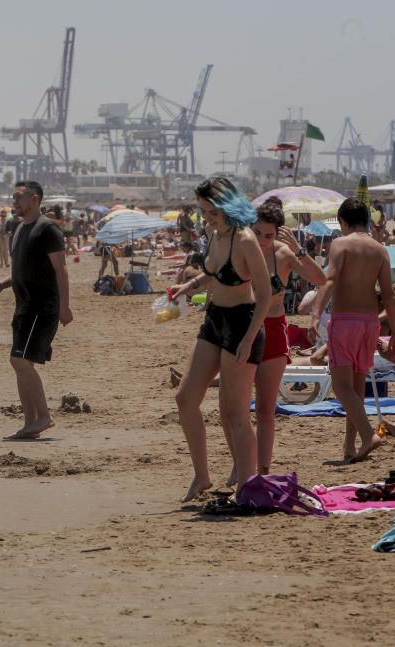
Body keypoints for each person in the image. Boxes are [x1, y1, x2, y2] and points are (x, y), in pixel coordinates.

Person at [168, 177, 272, 502]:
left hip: (243, 323)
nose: (207, 219)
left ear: (228, 206)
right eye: (204, 212)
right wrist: (191, 286)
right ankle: (202, 475)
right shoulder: (214, 234)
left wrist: (248, 339)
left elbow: (266, 294)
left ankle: (247, 484)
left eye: (212, 212)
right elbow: (213, 273)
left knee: (234, 412)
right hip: (214, 319)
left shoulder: (245, 240)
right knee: (185, 398)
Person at [309, 197, 395, 463]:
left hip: (345, 322)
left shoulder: (340, 244)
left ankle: (368, 433)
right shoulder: (380, 249)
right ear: (367, 221)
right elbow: (389, 296)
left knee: (341, 386)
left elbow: (330, 278)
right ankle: (350, 447)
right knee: (357, 387)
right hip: (370, 323)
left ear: (343, 222)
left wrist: (316, 313)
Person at [0, 180, 72, 440]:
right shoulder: (20, 228)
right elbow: (25, 267)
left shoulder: (47, 229)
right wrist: (4, 282)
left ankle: (44, 416)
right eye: (13, 197)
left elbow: (60, 269)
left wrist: (64, 307)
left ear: (34, 199)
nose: (14, 201)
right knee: (22, 363)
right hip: (23, 305)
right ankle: (31, 422)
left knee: (19, 360)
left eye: (18, 197)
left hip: (41, 306)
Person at [247, 197, 326, 479]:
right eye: (257, 233)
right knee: (238, 406)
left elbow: (320, 279)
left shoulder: (283, 254)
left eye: (268, 235)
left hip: (273, 328)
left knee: (266, 407)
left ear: (279, 232)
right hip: (244, 328)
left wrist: (300, 250)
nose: (262, 240)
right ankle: (242, 465)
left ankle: (263, 469)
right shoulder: (242, 250)